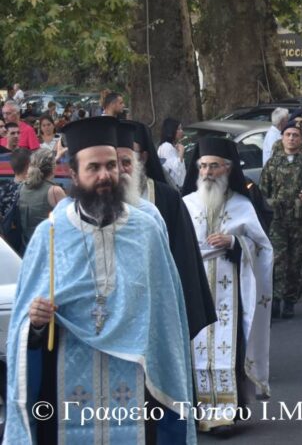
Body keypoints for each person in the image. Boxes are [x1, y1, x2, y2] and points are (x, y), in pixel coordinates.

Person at [5, 116, 197, 443]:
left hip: (137, 381)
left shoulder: (147, 231)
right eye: (93, 167)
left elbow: (168, 318)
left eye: (111, 165)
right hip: (66, 384)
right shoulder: (50, 235)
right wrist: (35, 324)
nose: (105, 175)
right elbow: (25, 328)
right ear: (74, 173)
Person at [181, 137, 273, 435]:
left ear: (228, 169)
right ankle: (198, 412)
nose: (208, 172)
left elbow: (262, 247)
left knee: (228, 349)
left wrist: (234, 241)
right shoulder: (186, 204)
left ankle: (226, 413)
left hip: (231, 288)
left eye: (214, 166)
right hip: (195, 286)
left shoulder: (242, 205)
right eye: (203, 166)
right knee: (194, 350)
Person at [118, 121, 218, 339]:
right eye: (111, 162)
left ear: (143, 158)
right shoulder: (96, 206)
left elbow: (184, 260)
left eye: (127, 160)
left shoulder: (166, 199)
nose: (118, 169)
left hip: (157, 308)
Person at [260, 121, 302, 319]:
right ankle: (275, 300)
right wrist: (271, 204)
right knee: (277, 260)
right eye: (288, 134)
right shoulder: (273, 163)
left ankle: (290, 300)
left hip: (300, 221)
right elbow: (262, 193)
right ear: (282, 138)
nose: (291, 138)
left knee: (296, 262)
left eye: (295, 135)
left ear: (301, 140)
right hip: (277, 221)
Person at [14, 148, 66, 254]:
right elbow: (69, 223)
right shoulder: (55, 191)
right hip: (49, 251)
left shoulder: (22, 187)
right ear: (53, 167)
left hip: (26, 248)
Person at [158, 117, 187, 188]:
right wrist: (181, 152)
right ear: (171, 130)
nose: (181, 131)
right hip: (175, 188)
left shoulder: (170, 146)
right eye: (178, 129)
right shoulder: (166, 147)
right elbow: (177, 170)